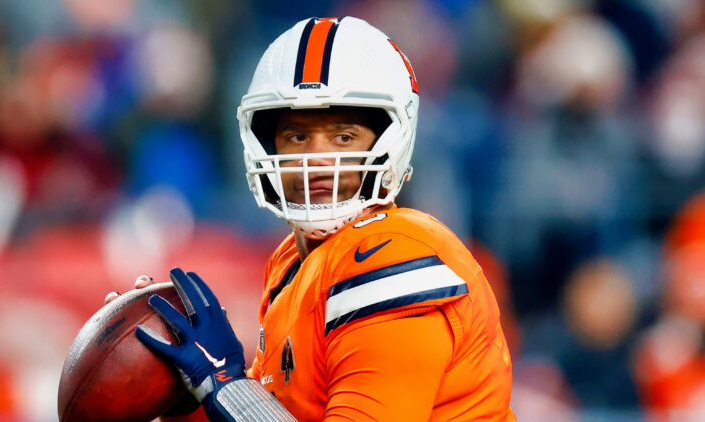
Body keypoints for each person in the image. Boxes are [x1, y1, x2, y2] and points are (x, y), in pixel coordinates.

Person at [107, 16, 515, 421]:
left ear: (391, 139)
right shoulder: (291, 263)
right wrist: (184, 396)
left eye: (343, 136)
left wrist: (224, 386)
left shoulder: (391, 256)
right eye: (297, 136)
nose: (317, 159)